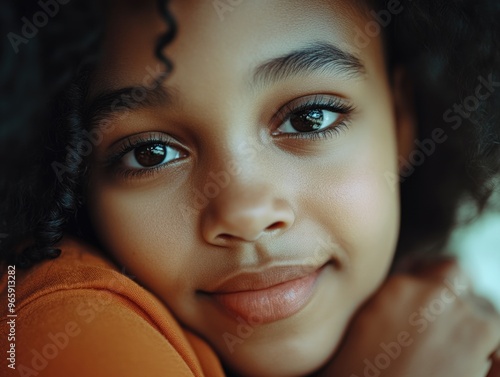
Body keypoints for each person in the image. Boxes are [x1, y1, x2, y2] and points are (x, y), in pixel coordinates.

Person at [1, 0, 499, 376]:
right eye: (151, 153)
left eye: (309, 118)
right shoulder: (48, 315)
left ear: (402, 119)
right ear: (69, 177)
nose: (246, 214)